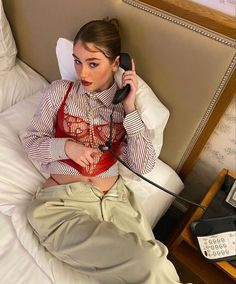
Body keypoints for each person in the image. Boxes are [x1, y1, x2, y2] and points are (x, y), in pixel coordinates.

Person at [23, 19, 183, 283]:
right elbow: (31, 142)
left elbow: (142, 166)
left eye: (93, 63)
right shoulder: (60, 92)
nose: (82, 72)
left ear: (116, 64)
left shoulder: (124, 108)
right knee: (151, 262)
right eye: (77, 61)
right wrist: (67, 147)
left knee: (150, 266)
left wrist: (130, 108)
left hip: (116, 203)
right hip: (64, 205)